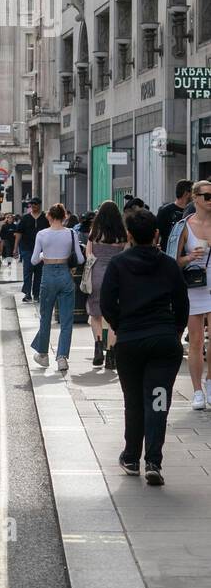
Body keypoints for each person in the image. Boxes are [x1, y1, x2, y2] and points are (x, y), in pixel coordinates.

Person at [101, 207, 189, 487]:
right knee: (158, 402)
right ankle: (154, 460)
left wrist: (120, 327)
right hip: (164, 343)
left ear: (128, 235)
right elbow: (182, 305)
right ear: (156, 234)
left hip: (130, 342)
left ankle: (130, 457)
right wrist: (173, 332)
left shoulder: (118, 264)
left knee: (134, 402)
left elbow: (106, 304)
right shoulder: (169, 265)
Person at [29, 203, 85, 373]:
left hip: (48, 275)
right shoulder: (71, 233)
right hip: (65, 275)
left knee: (45, 317)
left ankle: (43, 355)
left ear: (50, 217)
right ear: (64, 217)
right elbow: (81, 259)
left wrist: (43, 255)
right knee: (67, 319)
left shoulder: (42, 234)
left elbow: (33, 260)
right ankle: (62, 358)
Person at [172, 181, 211, 411]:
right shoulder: (184, 227)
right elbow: (172, 262)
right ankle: (197, 391)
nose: (210, 200)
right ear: (195, 198)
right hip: (194, 287)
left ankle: (210, 382)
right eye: (207, 196)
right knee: (195, 341)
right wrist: (189, 258)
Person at [85, 200, 126, 371]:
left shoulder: (95, 233)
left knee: (95, 315)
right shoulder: (122, 234)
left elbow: (88, 254)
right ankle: (111, 355)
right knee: (113, 318)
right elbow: (126, 255)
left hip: (96, 275)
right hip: (115, 277)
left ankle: (97, 346)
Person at [15, 198, 48, 303]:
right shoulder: (25, 218)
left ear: (39, 205)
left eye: (35, 204)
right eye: (32, 204)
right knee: (27, 271)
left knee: (39, 272)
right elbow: (19, 233)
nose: (33, 206)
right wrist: (15, 247)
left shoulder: (45, 218)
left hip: (41, 250)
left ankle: (36, 294)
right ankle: (27, 293)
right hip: (27, 249)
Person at [157, 180, 194, 251]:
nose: (195, 196)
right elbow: (157, 232)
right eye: (194, 193)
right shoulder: (164, 210)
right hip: (168, 253)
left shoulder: (194, 211)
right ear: (187, 194)